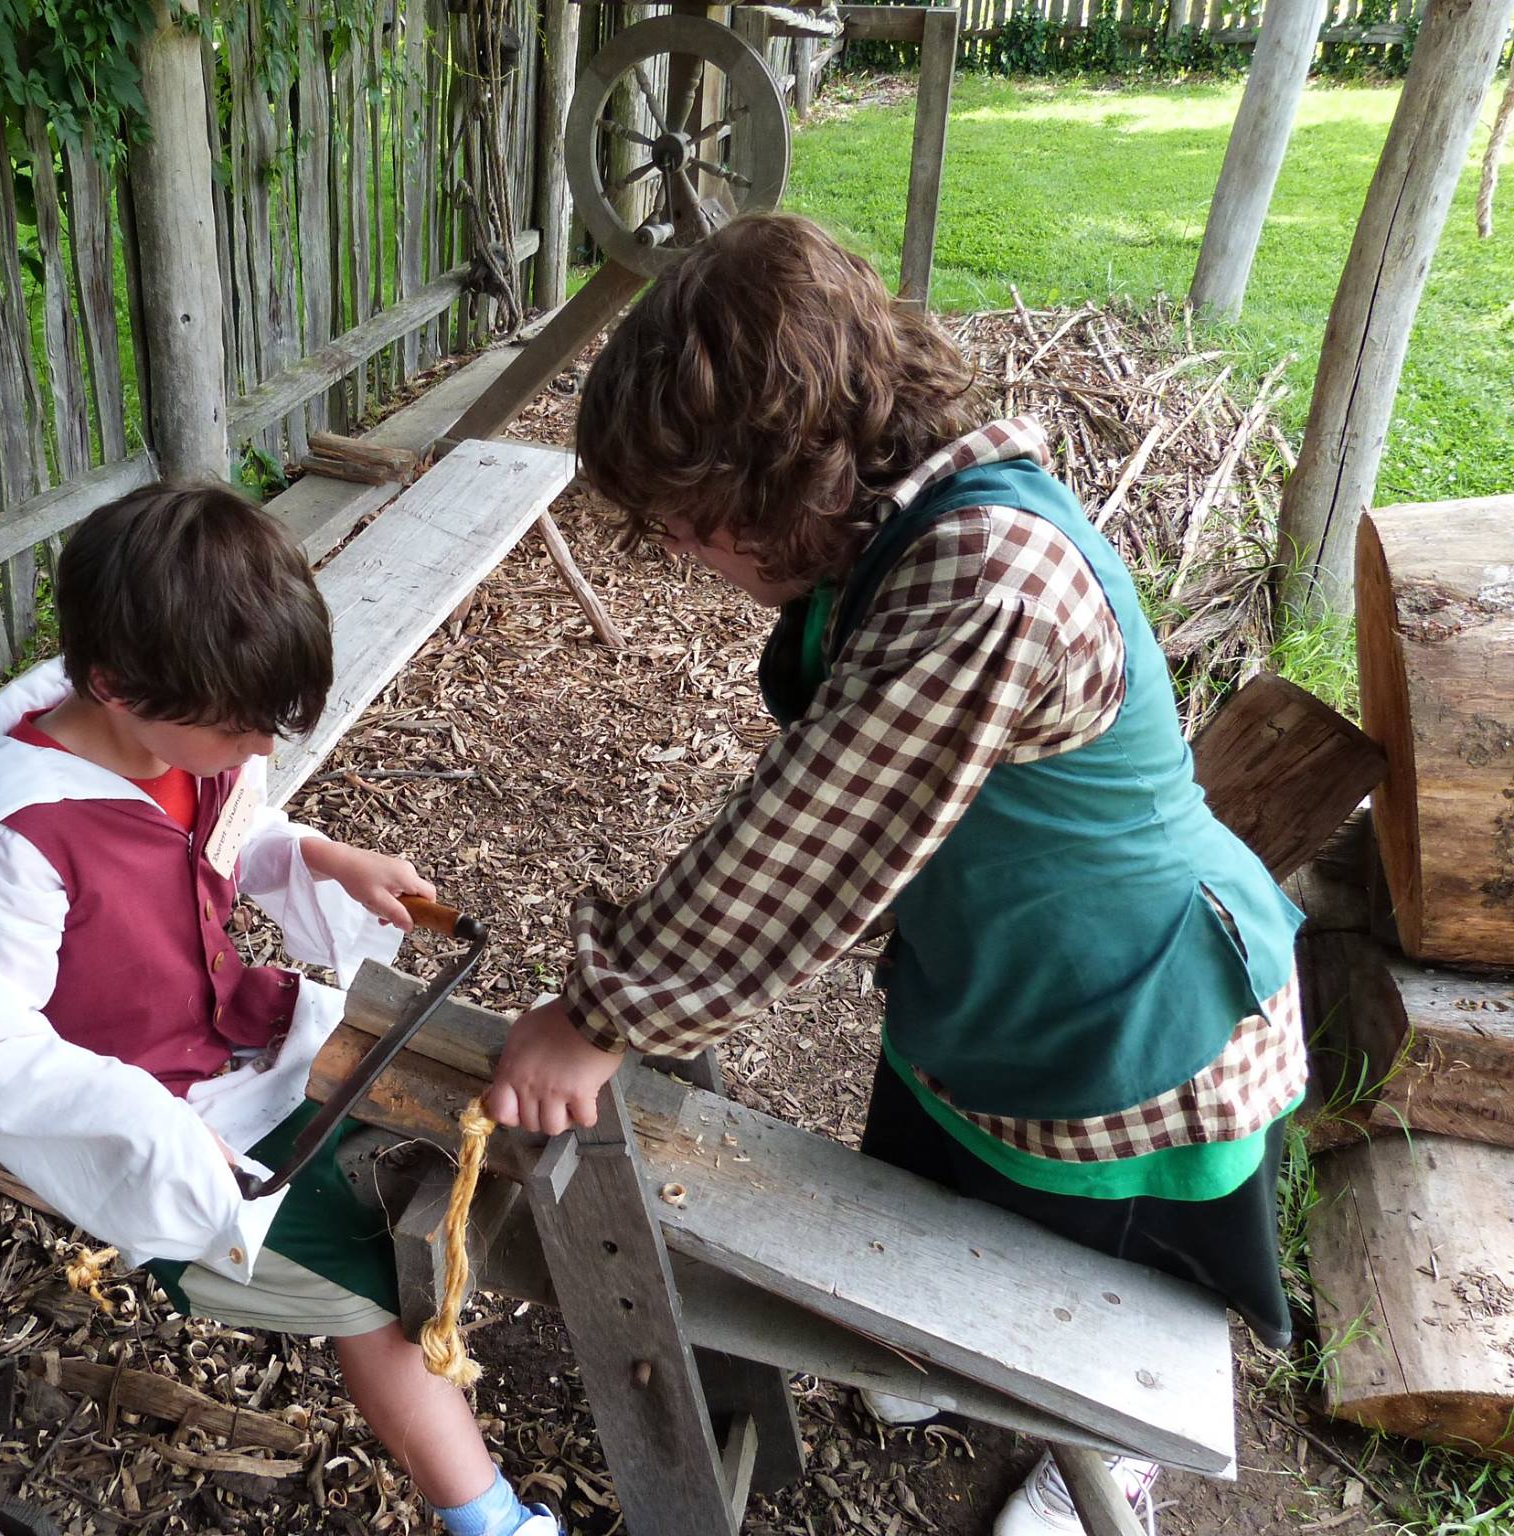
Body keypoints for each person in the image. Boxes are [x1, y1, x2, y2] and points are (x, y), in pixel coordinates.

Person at [483, 213, 1305, 1536]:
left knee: (1091, 1282)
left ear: (791, 467)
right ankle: (949, 1354)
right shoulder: (895, 523)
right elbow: (820, 798)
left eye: (699, 524)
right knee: (946, 1205)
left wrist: (594, 1021)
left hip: (1119, 1003)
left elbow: (809, 850)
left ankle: (1097, 1449)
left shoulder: (984, 577)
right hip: (988, 970)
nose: (690, 558)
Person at [0, 484, 557, 1536]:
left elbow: (213, 846)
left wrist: (321, 858)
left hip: (235, 1041)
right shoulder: (20, 844)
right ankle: (488, 1519)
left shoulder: (166, 741)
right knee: (374, 1294)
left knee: (425, 1143)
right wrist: (151, 1123)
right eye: (238, 730)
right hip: (154, 1115)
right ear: (115, 685)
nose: (257, 752)